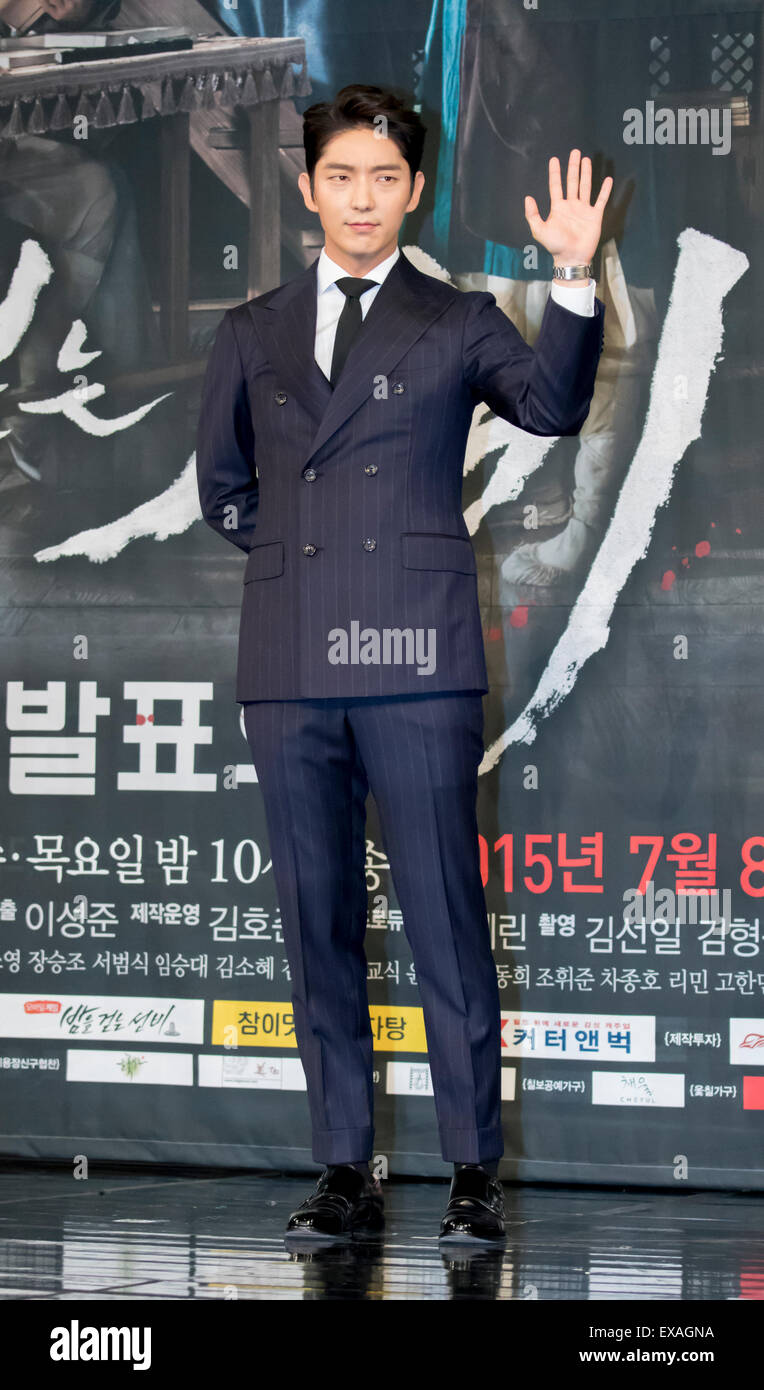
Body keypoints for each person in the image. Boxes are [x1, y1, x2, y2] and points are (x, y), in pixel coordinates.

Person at [195, 83, 610, 1244]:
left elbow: (551, 406)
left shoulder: (459, 316)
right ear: (306, 186)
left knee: (442, 913)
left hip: (414, 651)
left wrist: (571, 279)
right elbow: (222, 489)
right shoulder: (254, 326)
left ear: (413, 190)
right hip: (289, 657)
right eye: (340, 176)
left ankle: (470, 1169)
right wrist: (293, 563)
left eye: (384, 178)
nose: (361, 198)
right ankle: (343, 1167)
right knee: (314, 917)